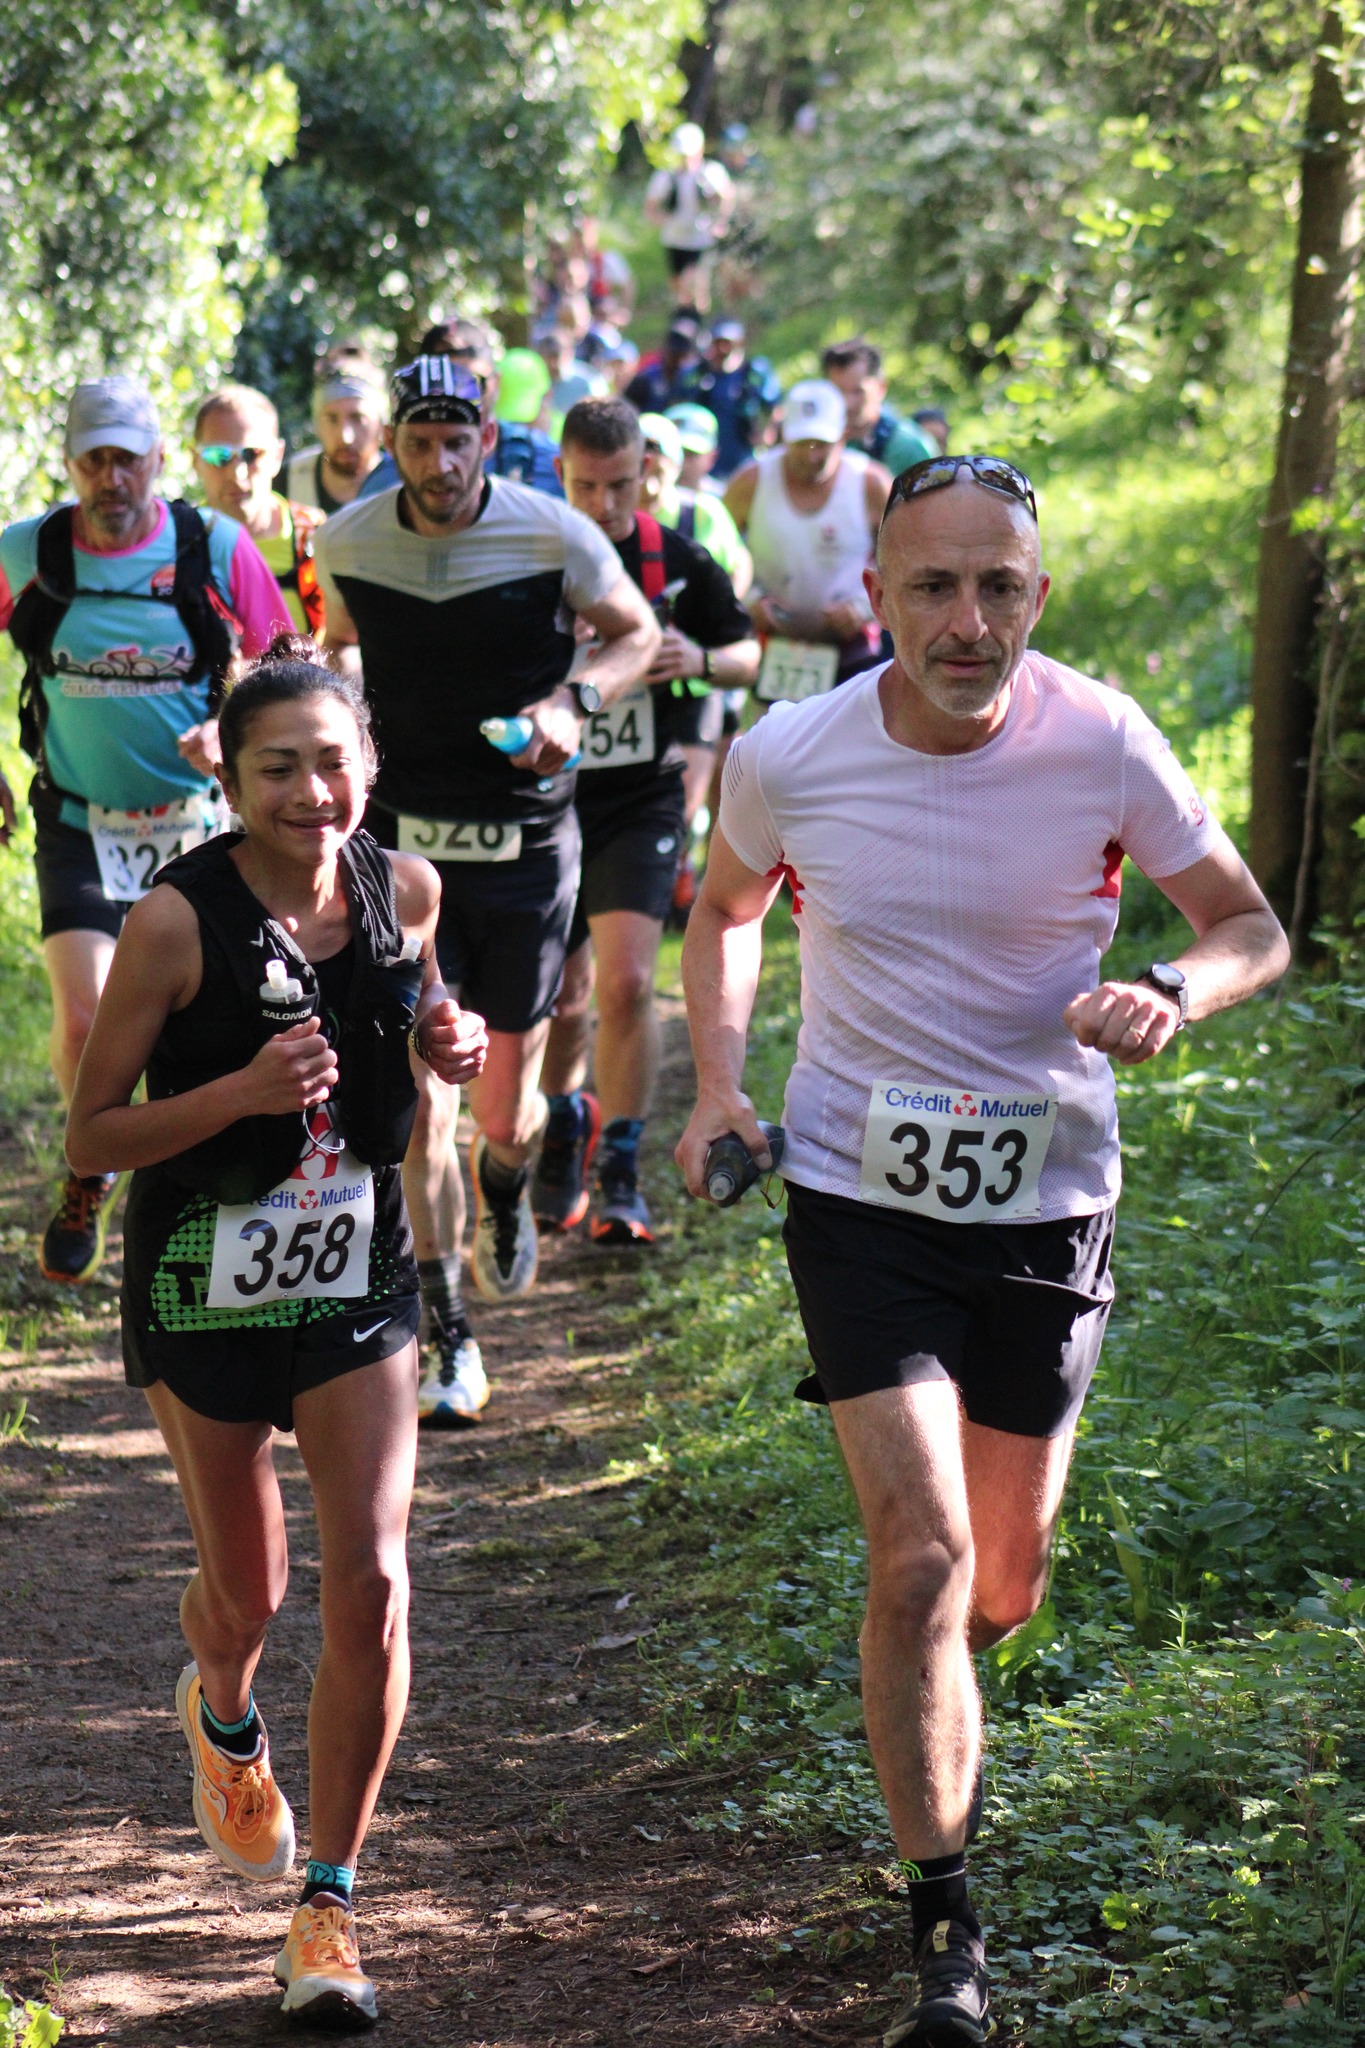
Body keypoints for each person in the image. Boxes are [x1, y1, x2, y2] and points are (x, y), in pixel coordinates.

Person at [676, 453, 1289, 2045]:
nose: (965, 620)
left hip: (1046, 1205)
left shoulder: (1102, 739)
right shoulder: (790, 754)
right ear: (872, 595)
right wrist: (726, 1087)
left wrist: (1174, 989)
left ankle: (928, 1680)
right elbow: (727, 908)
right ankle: (945, 1933)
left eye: (996, 586)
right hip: (859, 1198)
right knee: (922, 1559)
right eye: (931, 586)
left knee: (997, 1586)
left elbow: (1249, 924)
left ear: (1037, 595)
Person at [64, 642, 487, 2028]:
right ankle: (224, 1714)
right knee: (250, 1593)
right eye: (280, 769)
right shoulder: (177, 924)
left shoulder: (402, 886)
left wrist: (447, 1040)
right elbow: (96, 1130)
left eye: (335, 761)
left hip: (358, 1275)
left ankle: (330, 1902)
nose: (315, 791)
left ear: (369, 761)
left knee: (370, 1579)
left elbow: (421, 1013)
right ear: (232, 784)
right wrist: (243, 1090)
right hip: (201, 1278)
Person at [314, 356, 659, 1422]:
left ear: (487, 432)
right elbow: (335, 654)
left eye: (456, 438)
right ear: (392, 444)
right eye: (418, 440)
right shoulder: (350, 540)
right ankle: (447, 1330)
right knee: (426, 1106)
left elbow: (636, 631)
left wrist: (573, 701)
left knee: (505, 1111)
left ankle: (509, 1183)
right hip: (407, 860)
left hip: (522, 850)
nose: (439, 460)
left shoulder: (552, 530)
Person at [0, 375, 288, 1285]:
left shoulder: (214, 547)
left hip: (198, 826)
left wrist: (236, 724)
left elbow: (292, 669)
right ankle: (92, 1170)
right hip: (80, 821)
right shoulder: (29, 554)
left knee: (214, 1024)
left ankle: (225, 1188)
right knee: (87, 1019)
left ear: (158, 462)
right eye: (95, 460)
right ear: (72, 464)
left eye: (128, 459)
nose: (112, 478)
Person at [534, 398, 759, 1244]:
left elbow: (746, 653)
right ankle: (564, 1124)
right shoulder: (530, 554)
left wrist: (696, 658)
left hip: (642, 793)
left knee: (628, 983)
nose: (605, 505)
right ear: (561, 475)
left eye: (621, 485)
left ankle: (621, 1165)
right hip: (549, 797)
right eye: (587, 486)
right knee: (563, 996)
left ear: (646, 475)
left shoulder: (673, 556)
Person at [725, 378, 892, 700]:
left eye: (821, 443)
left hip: (853, 646)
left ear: (843, 435)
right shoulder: (751, 482)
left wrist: (863, 607)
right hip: (772, 643)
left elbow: (905, 559)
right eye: (801, 443)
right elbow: (717, 554)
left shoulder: (870, 485)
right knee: (777, 743)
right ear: (783, 435)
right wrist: (748, 601)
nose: (811, 455)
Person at [359, 323, 565, 502]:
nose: (462, 397)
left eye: (473, 382)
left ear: (496, 382)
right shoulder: (388, 478)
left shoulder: (546, 461)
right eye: (446, 383)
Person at [193, 384, 325, 637]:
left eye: (252, 454)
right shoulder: (179, 541)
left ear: (277, 456)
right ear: (195, 460)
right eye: (219, 456)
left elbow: (338, 641)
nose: (237, 473)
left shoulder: (313, 536)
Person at [643, 121, 735, 314]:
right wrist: (662, 219)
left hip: (700, 239)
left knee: (696, 283)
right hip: (674, 239)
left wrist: (720, 222)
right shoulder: (666, 178)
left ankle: (698, 320)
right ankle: (684, 321)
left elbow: (727, 196)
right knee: (678, 287)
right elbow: (651, 207)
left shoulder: (710, 173)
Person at [674, 319, 781, 482]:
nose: (722, 349)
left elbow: (775, 406)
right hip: (704, 457)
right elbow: (677, 404)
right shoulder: (696, 374)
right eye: (718, 343)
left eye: (728, 343)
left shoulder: (753, 374)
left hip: (743, 455)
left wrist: (767, 433)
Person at [286, 350, 387, 515]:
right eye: (331, 419)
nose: (346, 437)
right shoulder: (289, 481)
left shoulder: (402, 483)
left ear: (382, 425)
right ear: (317, 423)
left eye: (358, 418)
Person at [821, 338, 938, 475]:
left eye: (858, 391)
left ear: (881, 387)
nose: (847, 403)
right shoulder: (814, 442)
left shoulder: (910, 448)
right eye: (838, 392)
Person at [625, 318, 702, 415]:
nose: (678, 360)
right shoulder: (646, 378)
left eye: (682, 355)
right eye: (674, 354)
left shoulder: (693, 380)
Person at [666, 400, 725, 495]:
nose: (682, 464)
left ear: (712, 458)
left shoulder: (724, 500)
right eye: (675, 452)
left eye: (692, 455)